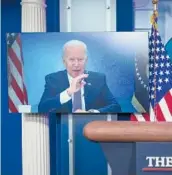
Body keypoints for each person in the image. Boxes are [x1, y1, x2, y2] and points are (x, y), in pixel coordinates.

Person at [38, 40, 121, 113]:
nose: (76, 64)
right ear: (64, 61)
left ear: (86, 60)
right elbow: (42, 109)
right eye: (71, 59)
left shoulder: (98, 79)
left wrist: (91, 113)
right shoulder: (52, 79)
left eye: (80, 59)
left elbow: (116, 107)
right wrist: (68, 93)